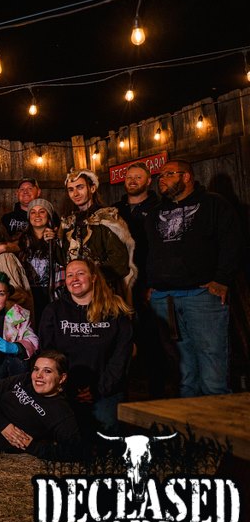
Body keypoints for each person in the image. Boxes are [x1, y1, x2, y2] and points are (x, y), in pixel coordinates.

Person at [146, 159, 244, 397]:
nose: (162, 179)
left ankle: (217, 419)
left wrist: (222, 279)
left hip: (201, 296)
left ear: (186, 177)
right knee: (182, 374)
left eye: (168, 174)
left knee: (212, 371)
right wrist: (151, 284)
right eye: (160, 175)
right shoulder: (156, 212)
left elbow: (232, 243)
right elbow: (150, 250)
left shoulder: (213, 204)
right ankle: (187, 420)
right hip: (164, 300)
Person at [39, 259, 133, 434]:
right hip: (65, 388)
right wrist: (65, 386)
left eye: (80, 273)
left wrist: (99, 388)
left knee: (106, 434)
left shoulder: (115, 310)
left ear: (94, 278)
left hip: (104, 389)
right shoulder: (53, 311)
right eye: (70, 275)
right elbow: (47, 354)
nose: (74, 279)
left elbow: (121, 357)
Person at [114, 162, 168, 397]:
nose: (132, 181)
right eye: (129, 177)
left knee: (153, 340)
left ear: (148, 181)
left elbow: (162, 250)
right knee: (124, 339)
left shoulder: (159, 208)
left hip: (147, 283)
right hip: (120, 284)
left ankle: (156, 394)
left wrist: (153, 283)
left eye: (138, 177)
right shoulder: (115, 210)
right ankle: (125, 393)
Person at [60, 169, 135, 297]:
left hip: (103, 290)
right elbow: (64, 258)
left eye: (80, 187)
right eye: (71, 190)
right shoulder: (69, 224)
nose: (75, 193)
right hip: (77, 291)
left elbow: (119, 262)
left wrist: (91, 278)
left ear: (92, 188)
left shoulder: (107, 219)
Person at [17, 198, 65, 323]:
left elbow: (63, 261)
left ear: (49, 216)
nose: (37, 215)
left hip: (50, 291)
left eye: (42, 211)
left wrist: (54, 242)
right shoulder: (21, 240)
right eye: (33, 212)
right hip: (28, 291)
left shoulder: (58, 239)